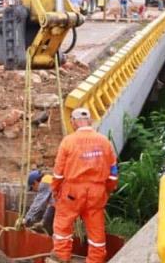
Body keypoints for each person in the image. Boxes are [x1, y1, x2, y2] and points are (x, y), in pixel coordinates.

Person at [48, 108, 118, 263]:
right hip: (97, 192)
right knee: (96, 230)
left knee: (63, 227)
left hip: (72, 191)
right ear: (90, 121)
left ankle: (61, 258)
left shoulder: (68, 141)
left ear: (73, 122)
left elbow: (58, 173)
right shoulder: (104, 141)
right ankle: (96, 260)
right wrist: (107, 190)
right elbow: (113, 172)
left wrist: (55, 189)